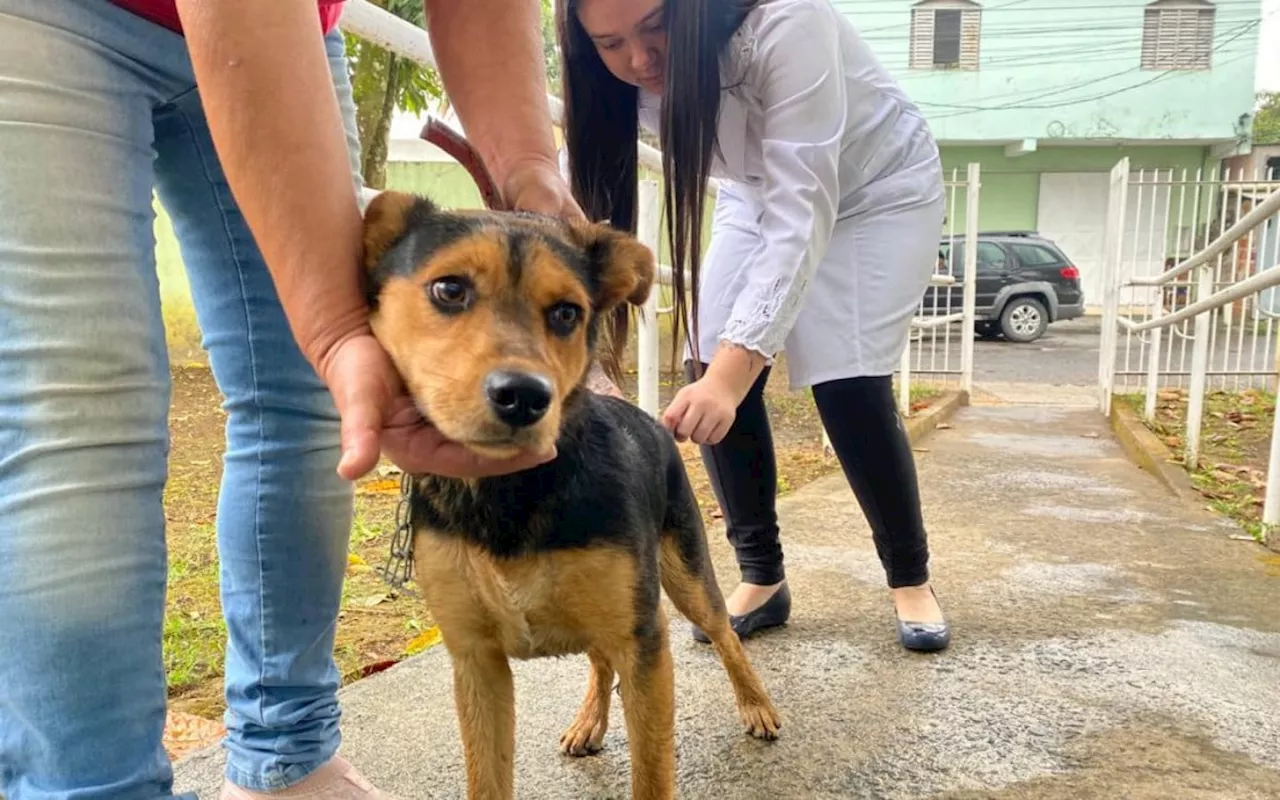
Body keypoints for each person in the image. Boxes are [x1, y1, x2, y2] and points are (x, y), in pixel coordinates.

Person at [0, 1, 583, 798]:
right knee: (80, 407)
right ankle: (91, 786)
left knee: (313, 404)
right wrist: (340, 328)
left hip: (295, 24)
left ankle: (286, 754)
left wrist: (532, 173)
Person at [556, 0, 952, 652]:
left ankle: (910, 577)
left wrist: (731, 377)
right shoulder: (617, 78)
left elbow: (803, 218)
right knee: (704, 357)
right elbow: (569, 197)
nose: (639, 59)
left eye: (656, 27)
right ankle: (762, 576)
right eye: (610, 42)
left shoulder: (791, 25)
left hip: (876, 190)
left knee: (845, 377)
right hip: (755, 192)